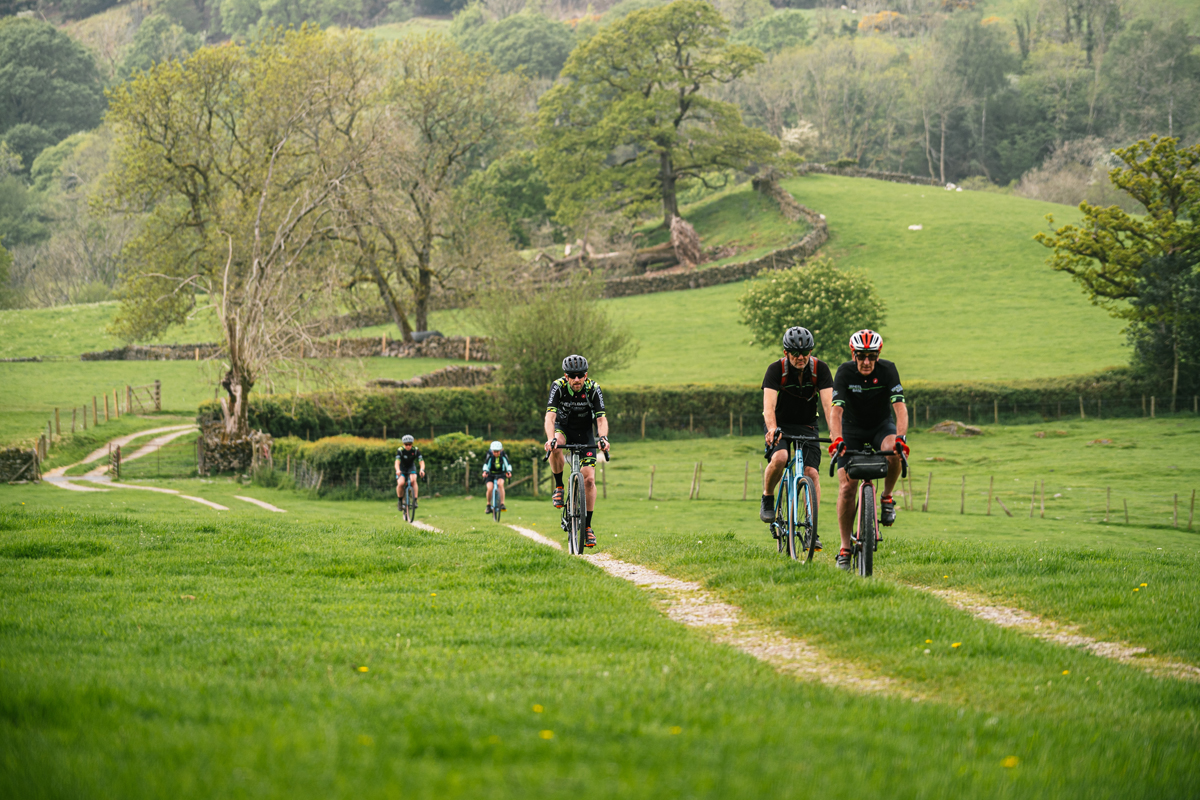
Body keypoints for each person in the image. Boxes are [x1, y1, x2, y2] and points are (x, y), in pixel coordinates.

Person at [827, 329, 909, 571]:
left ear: (878, 355)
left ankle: (886, 497)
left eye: (871, 356)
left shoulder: (888, 370)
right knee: (847, 487)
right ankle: (844, 548)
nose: (866, 362)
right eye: (861, 356)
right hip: (850, 429)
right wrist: (837, 440)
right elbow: (836, 412)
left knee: (893, 449)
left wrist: (902, 438)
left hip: (880, 427)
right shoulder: (844, 372)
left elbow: (900, 408)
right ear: (854, 355)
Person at [759, 327, 835, 552]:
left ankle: (812, 527)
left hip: (808, 424)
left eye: (805, 352)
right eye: (795, 353)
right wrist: (772, 429)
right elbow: (768, 407)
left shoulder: (820, 369)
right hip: (779, 424)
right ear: (786, 352)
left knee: (811, 473)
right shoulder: (775, 370)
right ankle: (768, 497)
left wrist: (834, 432)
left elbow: (828, 405)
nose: (800, 358)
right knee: (781, 457)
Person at [544, 354, 610, 548]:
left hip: (585, 434)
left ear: (585, 375)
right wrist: (550, 439)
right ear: (566, 376)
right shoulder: (558, 386)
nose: (576, 380)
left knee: (589, 479)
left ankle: (587, 527)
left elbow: (601, 419)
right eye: (572, 376)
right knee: (557, 445)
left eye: (580, 375)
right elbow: (550, 417)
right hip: (563, 429)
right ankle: (559, 486)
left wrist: (603, 438)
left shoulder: (593, 388)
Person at [395, 435, 425, 510]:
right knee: (401, 483)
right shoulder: (400, 450)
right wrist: (397, 470)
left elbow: (421, 461)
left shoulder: (415, 450)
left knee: (413, 480)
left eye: (410, 444)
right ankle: (400, 501)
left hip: (411, 467)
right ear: (403, 444)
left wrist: (422, 469)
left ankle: (415, 500)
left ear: (412, 444)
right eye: (406, 444)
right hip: (402, 467)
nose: (408, 446)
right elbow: (397, 462)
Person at [482, 440, 512, 514]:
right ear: (492, 451)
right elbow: (486, 464)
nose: (496, 453)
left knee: (500, 484)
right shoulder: (489, 455)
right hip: (490, 474)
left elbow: (508, 464)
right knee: (490, 488)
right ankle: (488, 505)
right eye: (494, 451)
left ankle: (502, 504)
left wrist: (508, 472)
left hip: (500, 474)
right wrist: (485, 471)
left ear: (500, 450)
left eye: (498, 451)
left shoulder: (503, 455)